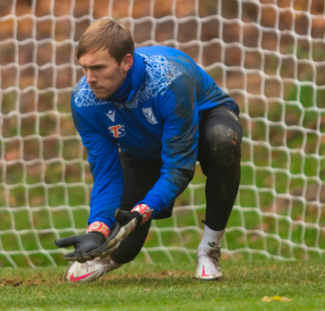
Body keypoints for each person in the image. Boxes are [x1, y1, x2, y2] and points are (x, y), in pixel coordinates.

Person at [55, 18, 242, 282]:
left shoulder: (169, 81)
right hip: (143, 144)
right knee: (124, 247)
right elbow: (106, 174)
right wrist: (97, 228)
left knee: (224, 140)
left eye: (98, 68)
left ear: (126, 62)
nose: (90, 79)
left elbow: (178, 168)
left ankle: (209, 249)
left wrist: (143, 210)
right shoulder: (84, 101)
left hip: (203, 124)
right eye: (84, 68)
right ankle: (106, 256)